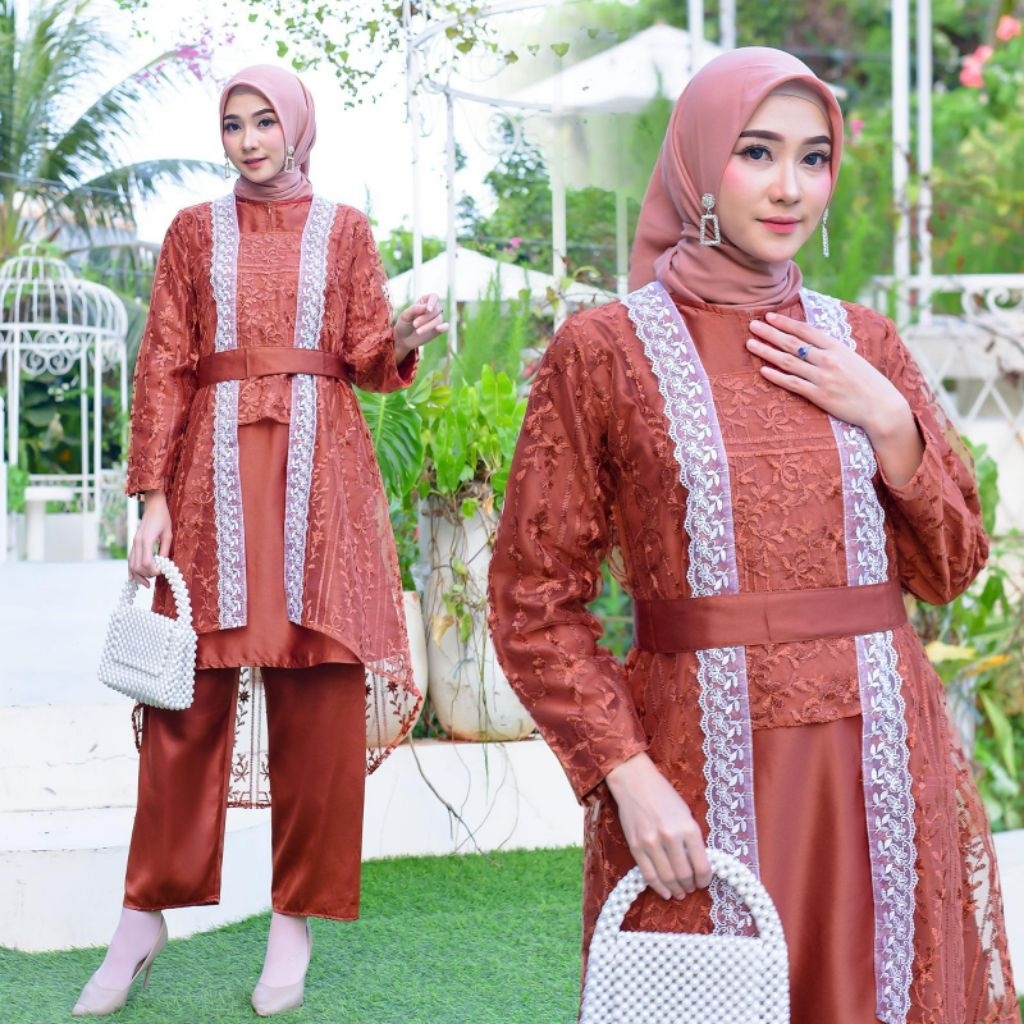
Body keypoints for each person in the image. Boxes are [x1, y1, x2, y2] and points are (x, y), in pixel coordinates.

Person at [488, 46, 1020, 1024]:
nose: (790, 188)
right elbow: (532, 598)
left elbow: (950, 567)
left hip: (880, 762)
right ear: (698, 162)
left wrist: (890, 421)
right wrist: (626, 775)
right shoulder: (603, 351)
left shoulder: (865, 343)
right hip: (692, 771)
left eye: (814, 158)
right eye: (757, 152)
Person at [72, 65, 447, 1018]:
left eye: (264, 121)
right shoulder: (192, 231)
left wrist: (403, 336)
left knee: (319, 699)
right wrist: (151, 495)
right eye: (233, 123)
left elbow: (366, 356)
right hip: (211, 480)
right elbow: (163, 360)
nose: (248, 140)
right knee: (184, 699)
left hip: (322, 482)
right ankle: (141, 915)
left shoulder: (347, 229)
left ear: (298, 128)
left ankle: (294, 922)